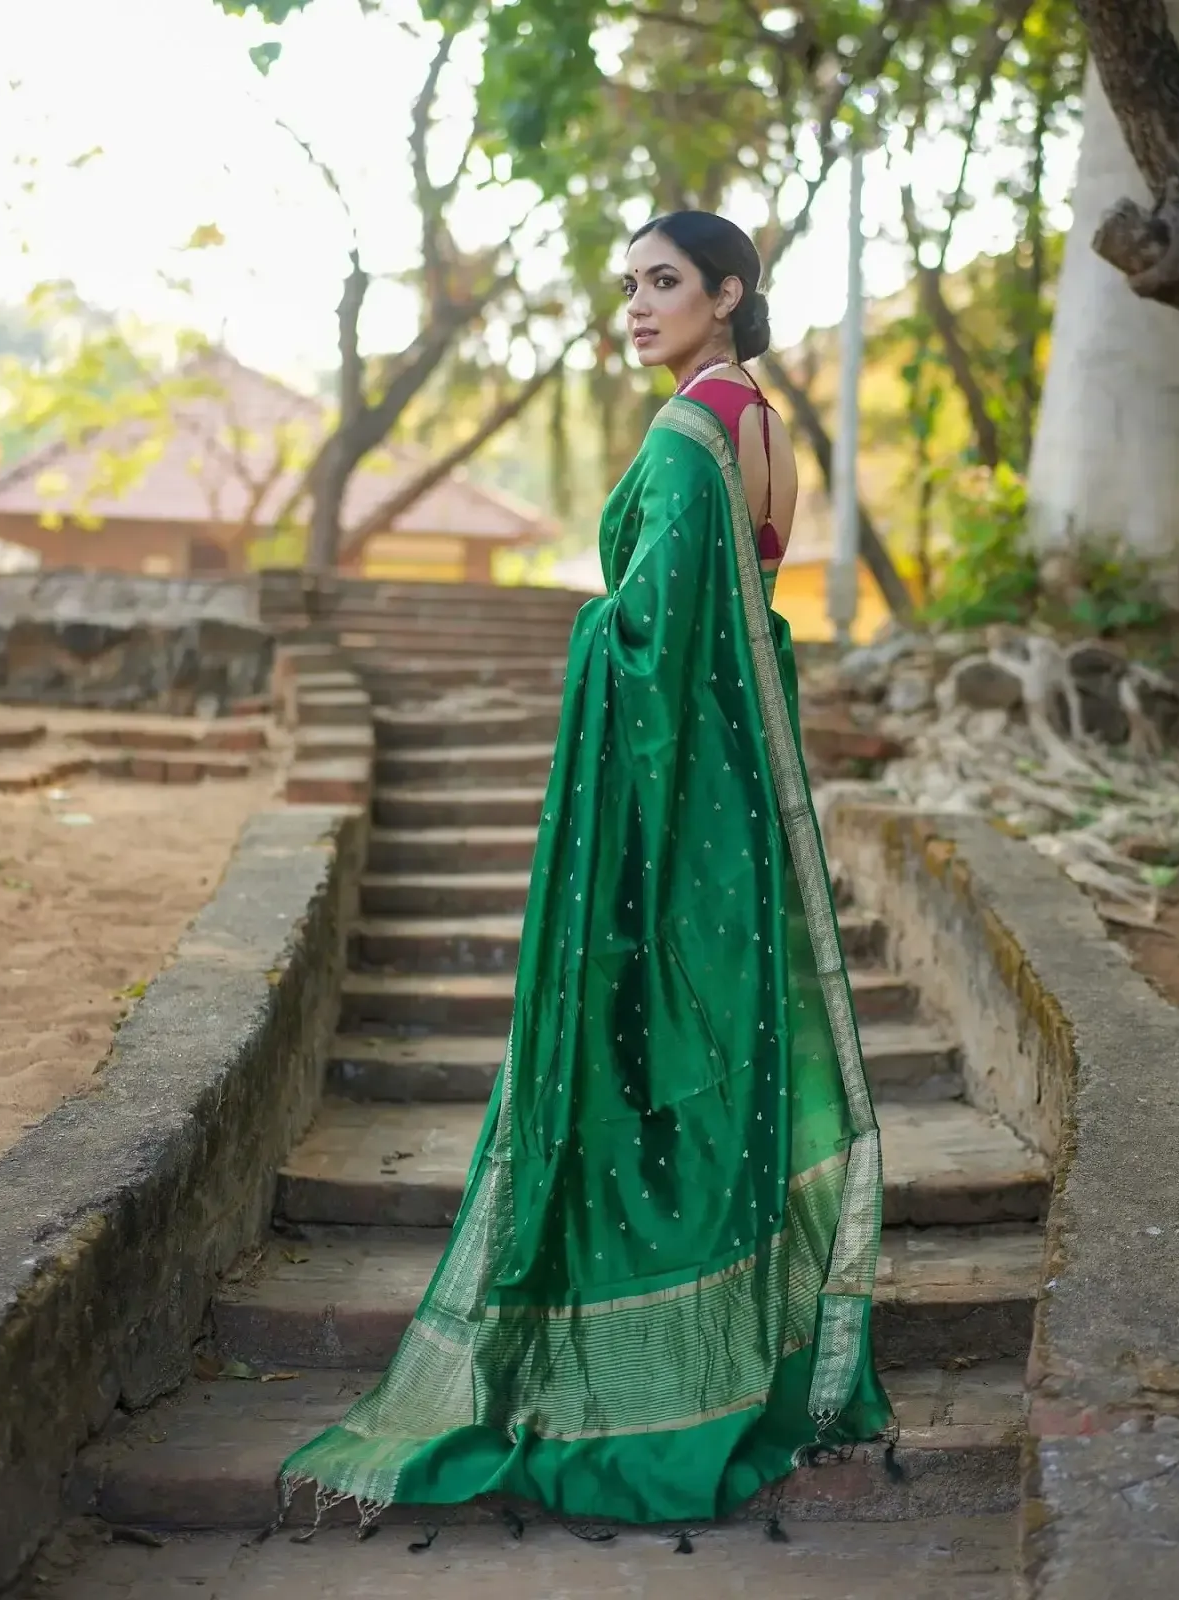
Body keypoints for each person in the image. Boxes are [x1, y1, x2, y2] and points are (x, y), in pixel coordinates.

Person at [280, 210, 895, 1530]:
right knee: (720, 1038)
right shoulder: (763, 421)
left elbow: (653, 639)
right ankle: (749, 1347)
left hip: (677, 789)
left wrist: (590, 635)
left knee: (634, 1039)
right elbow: (752, 616)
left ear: (729, 291)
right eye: (628, 285)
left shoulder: (687, 437)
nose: (636, 305)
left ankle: (635, 1367)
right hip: (737, 784)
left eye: (663, 282)